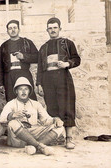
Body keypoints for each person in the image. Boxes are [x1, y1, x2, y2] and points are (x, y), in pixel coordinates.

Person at [37, 17, 81, 149]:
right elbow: (40, 67)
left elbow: (77, 59)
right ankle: (56, 137)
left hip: (63, 78)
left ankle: (69, 139)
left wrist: (67, 63)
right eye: (50, 28)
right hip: (48, 80)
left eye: (55, 27)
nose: (52, 30)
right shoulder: (43, 47)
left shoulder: (67, 43)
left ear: (60, 29)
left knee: (67, 107)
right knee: (52, 108)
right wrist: (39, 84)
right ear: (47, 30)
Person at [0, 77, 65, 156]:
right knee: (12, 123)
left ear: (29, 91)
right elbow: (1, 119)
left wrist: (56, 120)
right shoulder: (11, 103)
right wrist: (12, 115)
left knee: (60, 127)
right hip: (19, 138)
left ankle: (35, 146)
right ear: (16, 91)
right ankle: (40, 146)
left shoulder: (35, 104)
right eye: (20, 89)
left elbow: (46, 120)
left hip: (34, 133)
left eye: (26, 89)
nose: (23, 91)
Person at [0, 20, 38, 102]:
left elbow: (37, 57)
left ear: (19, 29)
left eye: (15, 28)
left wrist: (24, 56)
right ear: (7, 31)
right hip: (9, 76)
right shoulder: (4, 46)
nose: (12, 30)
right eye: (10, 28)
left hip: (24, 73)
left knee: (29, 98)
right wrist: (0, 83)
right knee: (11, 99)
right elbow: (0, 66)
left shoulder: (27, 42)